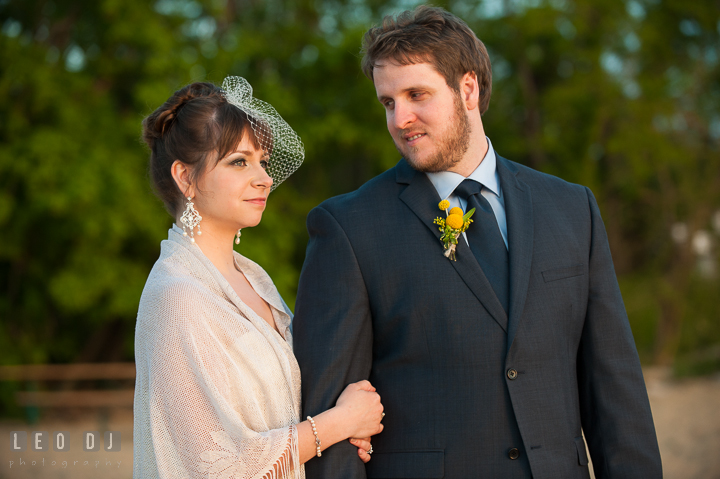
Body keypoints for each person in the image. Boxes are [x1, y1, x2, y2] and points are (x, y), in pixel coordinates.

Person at [293, 6, 661, 479]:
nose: (400, 118)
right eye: (388, 102)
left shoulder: (572, 209)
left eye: (416, 94)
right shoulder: (347, 227)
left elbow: (615, 390)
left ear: (468, 89)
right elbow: (330, 427)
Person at [133, 77, 384, 479]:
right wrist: (339, 424)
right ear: (185, 177)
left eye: (262, 162)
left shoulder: (254, 278)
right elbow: (214, 463)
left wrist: (350, 427)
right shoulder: (177, 295)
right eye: (239, 161)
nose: (264, 178)